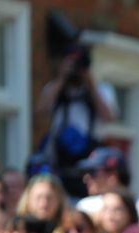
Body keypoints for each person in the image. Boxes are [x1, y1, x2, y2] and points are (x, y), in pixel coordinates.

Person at [35, 43, 117, 198]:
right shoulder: (55, 89)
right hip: (59, 161)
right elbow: (40, 111)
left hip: (89, 158)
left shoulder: (101, 90)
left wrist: (90, 82)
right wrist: (61, 78)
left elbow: (109, 117)